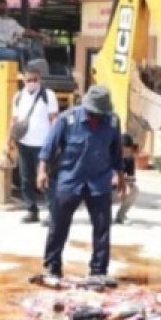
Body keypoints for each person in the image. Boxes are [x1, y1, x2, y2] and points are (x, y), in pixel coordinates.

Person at [37, 85, 122, 286]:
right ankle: (52, 267)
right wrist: (42, 171)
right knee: (58, 226)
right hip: (70, 180)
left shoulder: (112, 121)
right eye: (93, 112)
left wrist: (120, 176)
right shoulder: (67, 119)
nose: (96, 116)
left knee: (102, 227)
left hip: (99, 182)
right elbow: (48, 147)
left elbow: (116, 151)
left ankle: (98, 270)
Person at [14, 60, 60, 224]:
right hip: (24, 144)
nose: (32, 83)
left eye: (35, 80)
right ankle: (31, 210)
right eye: (29, 80)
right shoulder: (19, 96)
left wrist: (55, 141)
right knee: (26, 179)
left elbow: (54, 119)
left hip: (43, 146)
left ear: (40, 80)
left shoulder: (48, 95)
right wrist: (8, 141)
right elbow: (14, 121)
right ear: (23, 80)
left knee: (45, 179)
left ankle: (52, 213)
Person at [0, 0, 49, 66]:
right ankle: (22, 73)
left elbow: (25, 31)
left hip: (9, 46)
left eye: (3, 6)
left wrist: (41, 36)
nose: (1, 8)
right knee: (14, 54)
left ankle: (34, 72)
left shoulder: (11, 21)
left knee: (29, 51)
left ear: (6, 7)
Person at [113, 133, 139, 225]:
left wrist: (127, 184)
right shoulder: (106, 156)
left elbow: (131, 178)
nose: (125, 154)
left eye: (127, 152)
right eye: (123, 151)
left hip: (117, 190)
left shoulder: (129, 159)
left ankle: (121, 215)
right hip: (101, 192)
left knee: (135, 190)